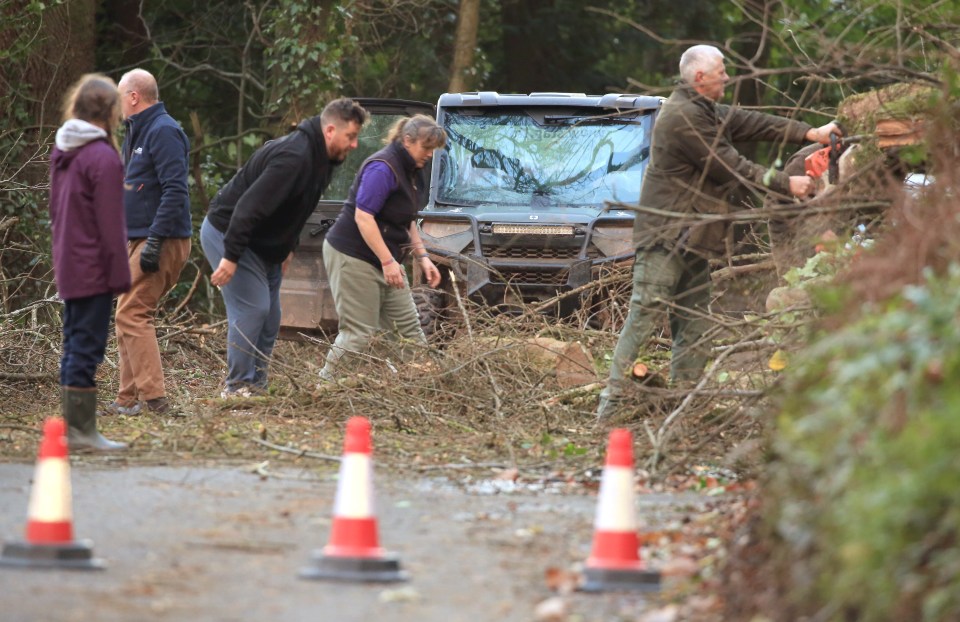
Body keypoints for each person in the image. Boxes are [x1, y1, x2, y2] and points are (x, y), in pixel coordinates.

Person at [596, 44, 841, 419]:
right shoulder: (683, 117)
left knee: (694, 324)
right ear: (700, 78)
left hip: (694, 237)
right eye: (722, 71)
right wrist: (785, 184)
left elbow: (752, 122)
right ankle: (609, 409)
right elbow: (729, 165)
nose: (728, 77)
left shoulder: (703, 110)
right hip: (665, 237)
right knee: (645, 314)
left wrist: (812, 133)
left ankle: (685, 409)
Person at [201, 98, 369, 397]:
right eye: (351, 137)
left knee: (271, 316)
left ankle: (257, 386)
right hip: (228, 233)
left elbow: (298, 208)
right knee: (254, 309)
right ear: (330, 130)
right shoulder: (294, 157)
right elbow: (247, 208)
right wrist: (230, 257)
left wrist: (289, 247)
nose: (354, 145)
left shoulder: (324, 160)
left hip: (262, 244)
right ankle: (237, 387)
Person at [318, 114, 445, 382]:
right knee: (358, 332)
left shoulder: (411, 170)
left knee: (408, 331)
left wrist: (423, 257)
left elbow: (406, 219)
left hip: (384, 258)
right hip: (353, 255)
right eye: (426, 148)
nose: (429, 155)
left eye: (433, 150)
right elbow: (363, 217)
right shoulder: (383, 168)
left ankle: (427, 389)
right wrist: (388, 262)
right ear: (407, 141)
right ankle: (323, 387)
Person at [50, 74, 130, 451]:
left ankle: (73, 430)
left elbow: (55, 211)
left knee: (74, 342)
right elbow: (111, 226)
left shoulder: (65, 149)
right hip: (94, 267)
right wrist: (121, 276)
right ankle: (81, 433)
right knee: (86, 346)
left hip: (69, 261)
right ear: (110, 111)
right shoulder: (101, 156)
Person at [111, 68, 192, 416]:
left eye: (119, 97)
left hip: (163, 238)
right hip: (140, 238)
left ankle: (155, 400)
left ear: (133, 96)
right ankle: (127, 400)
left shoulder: (164, 131)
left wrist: (156, 240)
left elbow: (176, 190)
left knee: (133, 312)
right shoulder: (137, 131)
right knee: (126, 313)